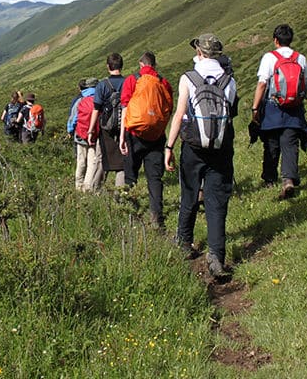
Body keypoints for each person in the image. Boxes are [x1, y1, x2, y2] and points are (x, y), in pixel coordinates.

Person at [164, 34, 238, 279]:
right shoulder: (229, 80)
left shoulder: (188, 78)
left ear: (199, 52)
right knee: (217, 201)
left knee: (189, 192)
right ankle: (216, 256)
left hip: (193, 146)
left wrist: (169, 146)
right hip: (221, 147)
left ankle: (184, 242)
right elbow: (231, 113)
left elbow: (180, 114)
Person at [251, 24, 307, 199]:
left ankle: (270, 179)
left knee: (271, 144)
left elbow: (262, 83)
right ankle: (288, 180)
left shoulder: (269, 58)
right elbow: (306, 82)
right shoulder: (300, 58)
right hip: (294, 108)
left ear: (275, 40)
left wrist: (255, 108)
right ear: (290, 40)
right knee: (290, 144)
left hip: (273, 107)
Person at [119, 51, 173, 228]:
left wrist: (122, 137)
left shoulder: (132, 80)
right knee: (155, 179)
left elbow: (125, 109)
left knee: (130, 177)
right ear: (154, 65)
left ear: (141, 65)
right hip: (156, 138)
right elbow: (168, 109)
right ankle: (156, 218)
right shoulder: (164, 83)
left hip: (134, 135)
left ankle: (129, 216)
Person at [88, 53, 127, 188]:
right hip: (124, 127)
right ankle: (121, 194)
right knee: (122, 162)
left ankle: (96, 190)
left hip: (106, 129)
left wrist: (91, 130)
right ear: (121, 66)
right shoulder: (128, 83)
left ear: (108, 66)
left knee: (101, 159)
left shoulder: (102, 85)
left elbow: (96, 109)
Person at [69, 78, 103, 192]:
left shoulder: (81, 100)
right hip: (94, 135)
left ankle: (78, 186)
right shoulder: (100, 100)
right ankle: (87, 187)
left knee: (81, 161)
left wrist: (70, 130)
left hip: (80, 134)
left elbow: (74, 118)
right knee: (92, 162)